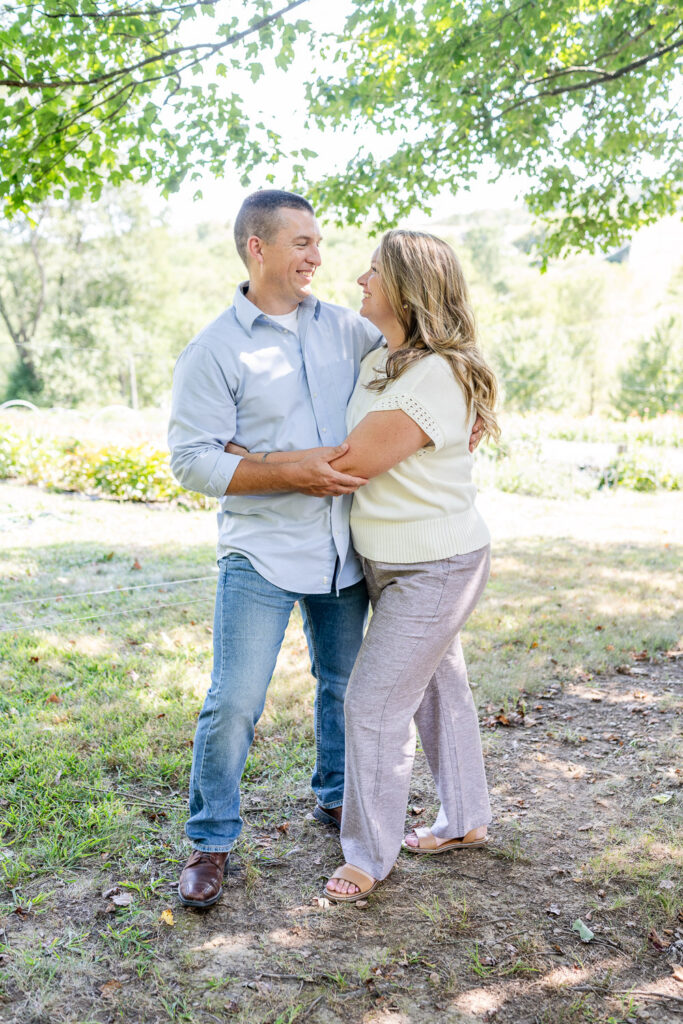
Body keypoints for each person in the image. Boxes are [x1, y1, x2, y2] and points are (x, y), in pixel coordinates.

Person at [238, 230, 499, 902]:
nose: (358, 278)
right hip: (392, 560)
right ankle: (466, 819)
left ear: (407, 291)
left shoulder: (435, 376)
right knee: (441, 689)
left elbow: (346, 468)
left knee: (372, 703)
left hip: (435, 567)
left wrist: (243, 460)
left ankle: (366, 856)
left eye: (374, 272)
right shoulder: (386, 362)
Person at [168, 189, 378, 908]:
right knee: (233, 702)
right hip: (258, 552)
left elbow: (416, 369)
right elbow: (192, 461)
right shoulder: (215, 348)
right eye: (301, 244)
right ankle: (211, 840)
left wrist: (467, 405)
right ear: (257, 248)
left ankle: (337, 799)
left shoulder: (349, 330)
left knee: (344, 690)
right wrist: (284, 468)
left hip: (343, 550)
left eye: (318, 243)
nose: (317, 257)